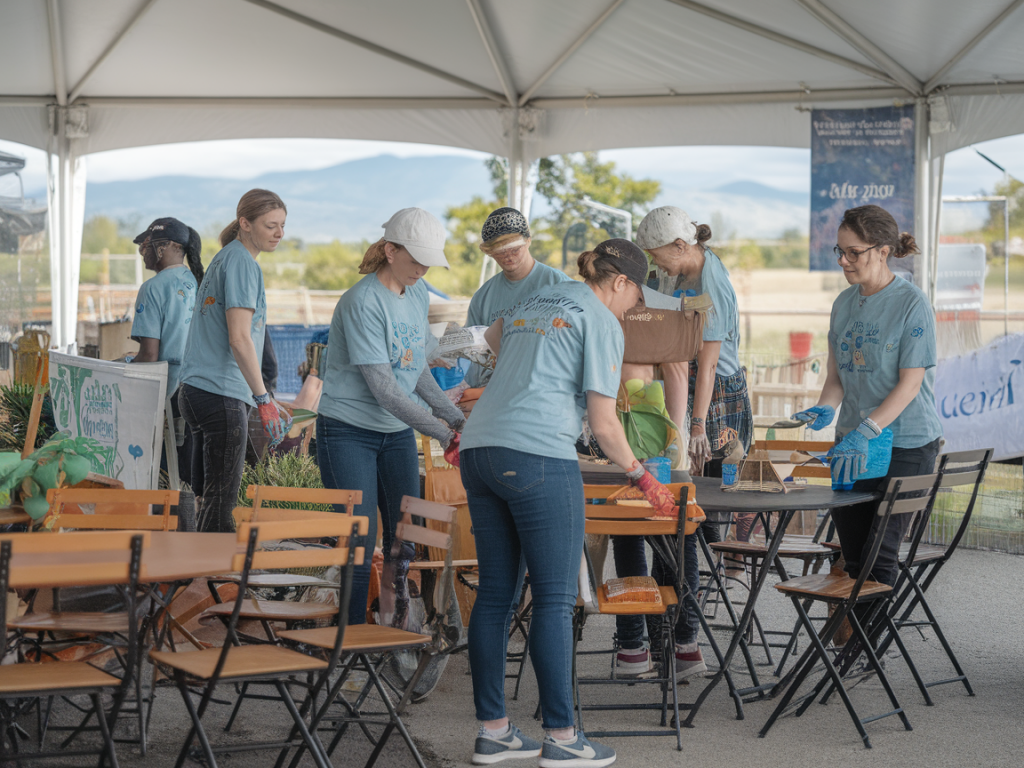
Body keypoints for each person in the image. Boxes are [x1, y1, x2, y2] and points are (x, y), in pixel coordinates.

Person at [459, 239, 678, 768]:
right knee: (555, 599)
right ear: (620, 282)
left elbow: (488, 343)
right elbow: (604, 425)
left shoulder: (535, 298)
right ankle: (561, 737)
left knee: (496, 594)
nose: (633, 308)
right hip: (537, 455)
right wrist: (642, 477)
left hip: (478, 447)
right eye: (636, 296)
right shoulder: (601, 320)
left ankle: (494, 732)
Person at [316, 208, 468, 626]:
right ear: (390, 250)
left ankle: (391, 623)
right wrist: (443, 432)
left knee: (407, 535)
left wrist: (455, 418)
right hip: (347, 431)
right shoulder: (362, 302)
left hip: (395, 431)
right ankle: (349, 639)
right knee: (359, 541)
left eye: (428, 262)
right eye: (415, 259)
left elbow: (415, 368)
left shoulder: (416, 294)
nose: (422, 270)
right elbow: (383, 389)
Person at [631, 206, 755, 679]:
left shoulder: (710, 281)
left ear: (681, 246)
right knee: (675, 509)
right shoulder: (673, 274)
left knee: (700, 512)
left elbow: (709, 360)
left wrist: (697, 426)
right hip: (679, 385)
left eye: (658, 255)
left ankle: (692, 617)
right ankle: (674, 621)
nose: (655, 263)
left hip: (716, 394)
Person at [793, 204, 940, 592]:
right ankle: (861, 632)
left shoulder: (912, 304)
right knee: (855, 558)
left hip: (905, 445)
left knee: (879, 557)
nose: (843, 261)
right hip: (852, 446)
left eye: (853, 252)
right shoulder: (843, 304)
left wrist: (866, 430)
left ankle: (866, 633)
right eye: (839, 251)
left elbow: (910, 385)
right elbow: (837, 376)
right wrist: (826, 406)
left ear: (883, 251)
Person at [178, 189, 289, 533]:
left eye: (283, 225)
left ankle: (197, 565)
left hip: (196, 390)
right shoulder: (242, 262)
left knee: (205, 499)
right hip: (220, 393)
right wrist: (264, 399)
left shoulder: (225, 257)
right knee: (222, 507)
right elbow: (240, 339)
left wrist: (264, 398)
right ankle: (217, 568)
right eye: (271, 225)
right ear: (245, 223)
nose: (279, 233)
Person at [130, 217, 204, 486]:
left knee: (165, 480)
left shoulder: (152, 288)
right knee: (192, 480)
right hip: (202, 391)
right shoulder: (199, 283)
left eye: (147, 244)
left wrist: (124, 369)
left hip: (169, 397)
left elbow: (150, 356)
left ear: (167, 246)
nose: (142, 251)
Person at [463, 207, 569, 387]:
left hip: (547, 387)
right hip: (495, 388)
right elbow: (471, 353)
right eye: (500, 251)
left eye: (514, 249)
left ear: (528, 241)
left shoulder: (558, 284)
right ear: (490, 252)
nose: (508, 256)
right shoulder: (483, 297)